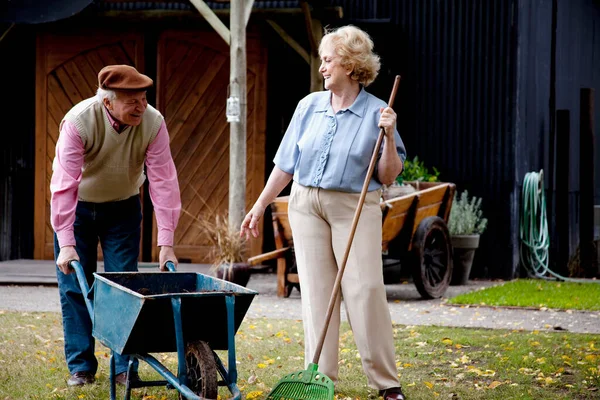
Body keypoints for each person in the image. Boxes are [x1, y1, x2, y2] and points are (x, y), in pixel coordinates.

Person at [240, 26, 407, 399]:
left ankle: (386, 382)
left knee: (364, 289)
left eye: (328, 60)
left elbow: (387, 175)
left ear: (349, 64)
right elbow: (286, 163)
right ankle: (321, 376)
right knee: (316, 292)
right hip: (305, 204)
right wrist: (261, 203)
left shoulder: (377, 112)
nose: (322, 68)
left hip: (353, 205)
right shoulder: (308, 106)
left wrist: (390, 136)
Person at [50, 65, 181, 387]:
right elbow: (64, 184)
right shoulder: (79, 121)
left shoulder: (153, 122)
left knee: (124, 289)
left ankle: (124, 368)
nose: (140, 106)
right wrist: (65, 242)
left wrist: (167, 242)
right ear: (107, 102)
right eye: (131, 101)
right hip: (77, 210)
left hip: (122, 208)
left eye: (144, 98)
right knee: (74, 288)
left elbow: (163, 181)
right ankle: (81, 367)